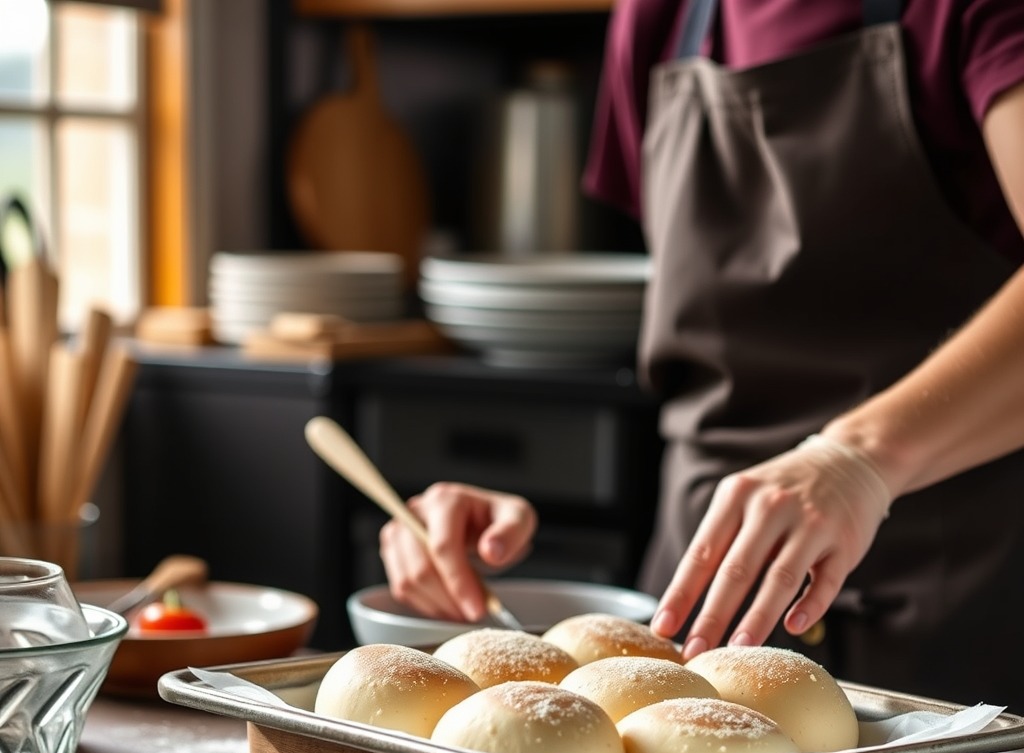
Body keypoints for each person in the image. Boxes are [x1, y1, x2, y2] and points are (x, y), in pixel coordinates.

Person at [381, 0, 1024, 704]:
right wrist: (515, 532)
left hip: (954, 621)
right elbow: (706, 338)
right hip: (692, 624)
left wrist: (860, 461)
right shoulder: (659, 16)